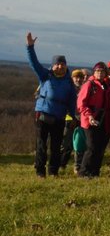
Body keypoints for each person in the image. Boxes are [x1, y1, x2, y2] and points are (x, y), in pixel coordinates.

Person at [25, 32, 77, 178]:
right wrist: (30, 47)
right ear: (53, 65)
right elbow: (34, 63)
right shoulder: (45, 76)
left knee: (56, 146)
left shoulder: (69, 82)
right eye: (57, 64)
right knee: (41, 145)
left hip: (59, 117)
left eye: (63, 64)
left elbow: (72, 100)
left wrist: (72, 116)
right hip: (42, 114)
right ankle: (40, 172)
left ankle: (53, 171)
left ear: (66, 66)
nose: (60, 66)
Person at [77, 62, 110, 177]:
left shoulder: (106, 85)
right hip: (89, 120)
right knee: (91, 147)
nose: (100, 73)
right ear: (94, 72)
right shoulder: (89, 84)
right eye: (98, 71)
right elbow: (81, 104)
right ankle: (83, 172)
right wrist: (89, 115)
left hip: (102, 119)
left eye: (102, 71)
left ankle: (95, 172)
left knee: (99, 147)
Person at [60, 68, 86, 174]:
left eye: (80, 77)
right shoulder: (67, 88)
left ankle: (77, 166)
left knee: (79, 144)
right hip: (69, 119)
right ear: (72, 78)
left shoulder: (85, 89)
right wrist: (71, 117)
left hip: (81, 120)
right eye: (76, 77)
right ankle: (61, 164)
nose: (78, 79)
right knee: (66, 144)